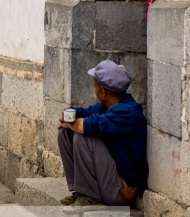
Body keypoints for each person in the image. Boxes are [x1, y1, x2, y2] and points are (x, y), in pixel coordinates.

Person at [58, 60, 147, 208]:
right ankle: (80, 192)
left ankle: (89, 196)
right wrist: (68, 114)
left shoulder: (128, 112)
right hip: (108, 182)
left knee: (83, 135)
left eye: (95, 86)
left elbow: (88, 125)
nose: (95, 90)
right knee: (64, 134)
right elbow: (86, 112)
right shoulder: (105, 107)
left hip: (120, 191)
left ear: (103, 91)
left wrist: (72, 123)